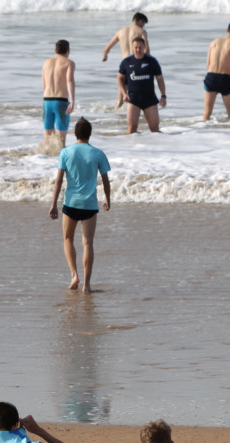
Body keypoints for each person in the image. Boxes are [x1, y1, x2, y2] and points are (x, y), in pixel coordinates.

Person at [48, 116, 112, 292]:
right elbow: (106, 181)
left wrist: (53, 203)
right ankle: (87, 284)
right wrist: (107, 199)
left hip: (71, 203)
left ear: (75, 133)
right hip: (90, 205)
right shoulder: (98, 154)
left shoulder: (66, 152)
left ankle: (74, 274)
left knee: (68, 238)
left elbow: (59, 179)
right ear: (89, 134)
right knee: (88, 243)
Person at [116, 36, 166, 134]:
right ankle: (130, 148)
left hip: (150, 99)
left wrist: (163, 96)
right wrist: (124, 93)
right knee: (132, 129)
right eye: (136, 47)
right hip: (133, 99)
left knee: (154, 129)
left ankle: (163, 146)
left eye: (140, 47)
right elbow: (120, 78)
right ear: (132, 47)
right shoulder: (126, 62)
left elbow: (160, 79)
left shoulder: (152, 61)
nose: (138, 50)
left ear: (144, 47)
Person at [202, 20, 230, 122]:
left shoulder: (213, 42)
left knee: (206, 114)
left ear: (227, 30)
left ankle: (200, 134)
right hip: (224, 79)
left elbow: (208, 64)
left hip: (210, 77)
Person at [41, 40, 76, 153]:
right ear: (68, 51)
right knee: (61, 142)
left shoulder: (46, 62)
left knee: (48, 141)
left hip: (46, 102)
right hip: (61, 102)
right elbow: (69, 81)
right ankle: (60, 168)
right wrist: (72, 100)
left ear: (55, 50)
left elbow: (44, 84)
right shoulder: (69, 63)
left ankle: (44, 165)